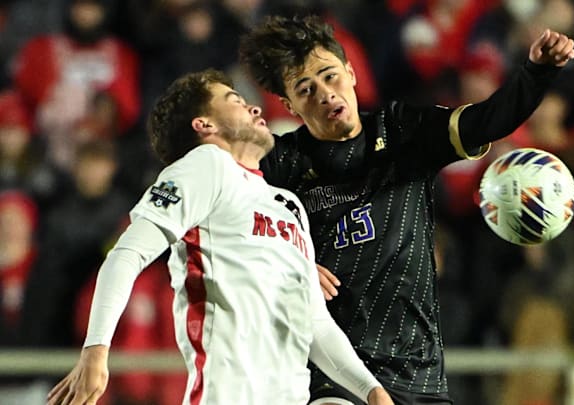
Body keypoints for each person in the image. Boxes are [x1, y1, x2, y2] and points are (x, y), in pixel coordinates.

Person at [239, 14, 574, 405]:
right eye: (305, 88)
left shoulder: (401, 131)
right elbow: (221, 227)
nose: (325, 93)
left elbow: (485, 121)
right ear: (289, 105)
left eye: (330, 76)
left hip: (418, 373)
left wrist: (536, 73)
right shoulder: (280, 164)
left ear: (350, 73)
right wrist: (288, 261)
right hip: (329, 372)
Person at [45, 68, 394, 405]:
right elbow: (126, 255)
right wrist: (96, 349)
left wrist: (370, 389)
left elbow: (315, 321)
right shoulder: (208, 165)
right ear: (205, 125)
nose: (255, 107)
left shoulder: (288, 205)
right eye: (234, 100)